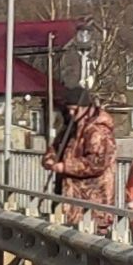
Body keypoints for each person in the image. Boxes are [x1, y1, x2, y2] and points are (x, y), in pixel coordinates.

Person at [43, 95, 117, 234]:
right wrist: (50, 159)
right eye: (69, 110)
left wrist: (66, 167)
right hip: (69, 198)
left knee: (90, 239)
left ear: (86, 109)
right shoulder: (71, 128)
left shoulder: (98, 131)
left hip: (92, 202)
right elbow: (55, 147)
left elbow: (97, 163)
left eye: (75, 110)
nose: (71, 113)